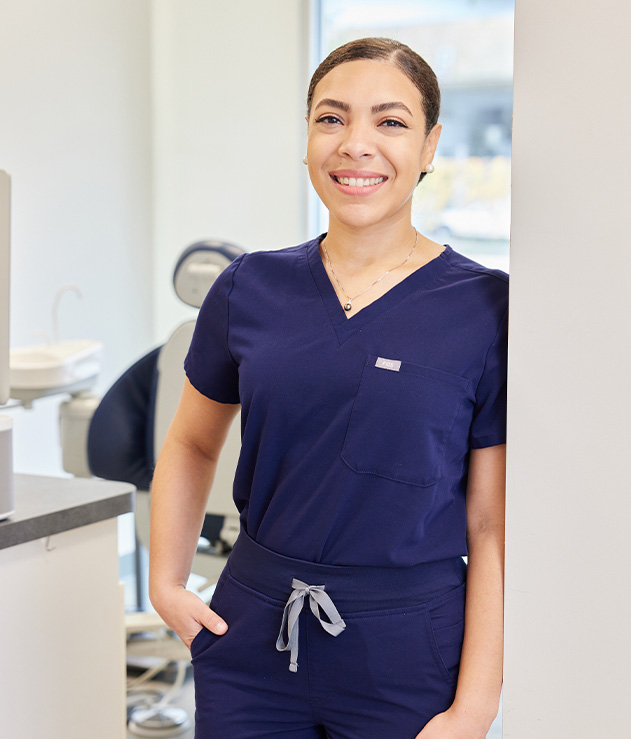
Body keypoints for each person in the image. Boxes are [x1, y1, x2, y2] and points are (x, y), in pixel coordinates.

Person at [149, 37, 507, 739]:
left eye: (390, 122)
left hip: (406, 649)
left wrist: (474, 706)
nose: (356, 145)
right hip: (250, 631)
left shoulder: (485, 308)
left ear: (431, 145)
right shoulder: (247, 287)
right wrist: (167, 580)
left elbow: (490, 522)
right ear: (308, 136)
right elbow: (191, 442)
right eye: (331, 118)